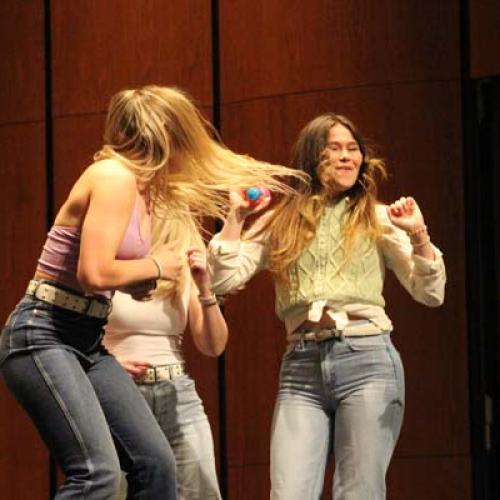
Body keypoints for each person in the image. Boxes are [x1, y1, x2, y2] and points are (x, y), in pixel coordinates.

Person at [0, 84, 302, 499]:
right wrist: (158, 267)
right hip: (44, 332)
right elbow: (93, 273)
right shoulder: (114, 176)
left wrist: (141, 279)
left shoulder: (142, 191)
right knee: (97, 473)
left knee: (155, 462)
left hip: (85, 337)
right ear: (163, 134)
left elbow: (107, 274)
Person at [207, 113, 446, 499]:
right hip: (301, 366)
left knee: (359, 492)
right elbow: (221, 281)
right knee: (289, 493)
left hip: (367, 359)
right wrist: (236, 218)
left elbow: (430, 293)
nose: (347, 157)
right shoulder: (279, 221)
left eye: (353, 149)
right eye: (334, 149)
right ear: (311, 157)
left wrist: (418, 234)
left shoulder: (378, 217)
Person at [104, 211, 226, 500]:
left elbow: (213, 346)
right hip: (120, 393)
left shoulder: (182, 254)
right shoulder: (108, 253)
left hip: (176, 393)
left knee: (201, 492)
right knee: (117, 491)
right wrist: (106, 364)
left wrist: (205, 288)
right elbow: (71, 333)